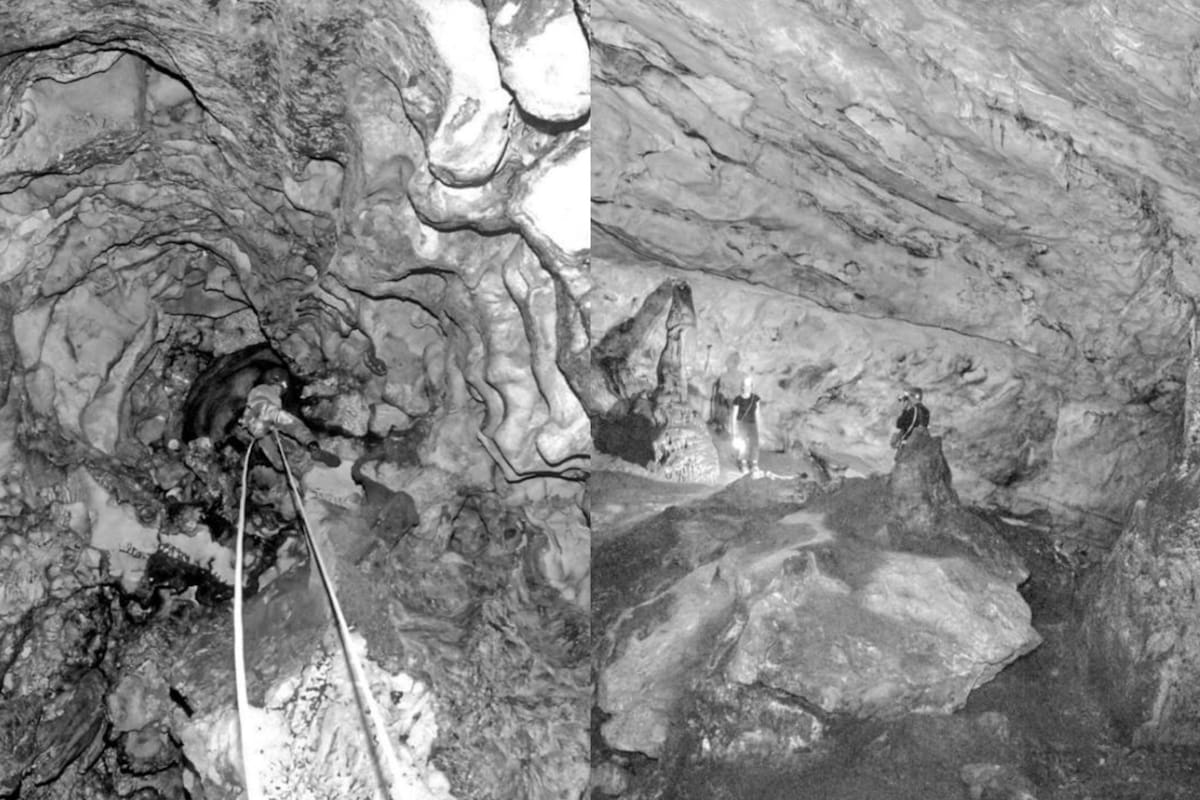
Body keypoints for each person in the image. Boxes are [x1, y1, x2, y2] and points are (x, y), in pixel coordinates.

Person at [240, 369, 335, 469]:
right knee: (288, 428)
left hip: (256, 423)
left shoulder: (259, 394)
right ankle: (308, 450)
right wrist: (310, 441)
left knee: (277, 456)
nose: (279, 391)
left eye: (280, 390)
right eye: (279, 388)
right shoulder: (267, 398)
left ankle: (292, 463)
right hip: (264, 416)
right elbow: (292, 424)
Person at [729, 376, 762, 475]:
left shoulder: (755, 399)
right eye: (745, 386)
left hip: (752, 424)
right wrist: (734, 430)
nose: (747, 388)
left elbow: (757, 413)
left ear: (751, 387)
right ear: (742, 387)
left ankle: (754, 463)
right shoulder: (737, 399)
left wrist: (759, 426)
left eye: (749, 386)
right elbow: (734, 415)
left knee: (754, 443)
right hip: (741, 424)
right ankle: (743, 462)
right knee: (743, 444)